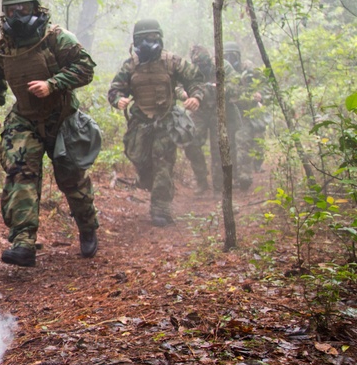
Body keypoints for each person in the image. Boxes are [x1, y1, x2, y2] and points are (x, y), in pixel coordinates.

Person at [0, 0, 99, 268]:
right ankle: (23, 243)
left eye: (23, 8)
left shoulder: (56, 38)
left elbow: (86, 68)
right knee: (20, 173)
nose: (17, 16)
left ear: (36, 7)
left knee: (72, 179)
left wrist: (53, 84)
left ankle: (87, 227)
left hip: (61, 117)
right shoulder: (1, 46)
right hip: (25, 118)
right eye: (11, 11)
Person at [108, 20, 205, 226]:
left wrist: (196, 96)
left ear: (159, 38)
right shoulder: (131, 65)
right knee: (141, 162)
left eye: (151, 39)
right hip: (140, 122)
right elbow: (115, 89)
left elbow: (195, 79)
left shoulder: (171, 62)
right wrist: (119, 100)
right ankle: (151, 185)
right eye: (142, 40)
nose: (147, 44)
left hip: (165, 121)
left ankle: (160, 209)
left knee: (163, 164)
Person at [181, 44, 242, 194]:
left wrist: (221, 88)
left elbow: (237, 85)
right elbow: (177, 85)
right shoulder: (189, 69)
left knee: (219, 148)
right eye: (198, 65)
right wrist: (184, 94)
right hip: (199, 110)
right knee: (190, 142)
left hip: (219, 109)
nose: (202, 67)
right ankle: (201, 180)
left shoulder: (222, 66)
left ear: (210, 60)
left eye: (204, 64)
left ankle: (219, 188)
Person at [225, 41, 268, 187]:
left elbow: (266, 85)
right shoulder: (220, 70)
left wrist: (260, 95)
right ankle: (234, 176)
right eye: (226, 56)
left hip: (246, 112)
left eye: (232, 56)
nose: (230, 60)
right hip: (229, 111)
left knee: (244, 143)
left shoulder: (249, 69)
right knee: (229, 145)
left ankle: (245, 175)